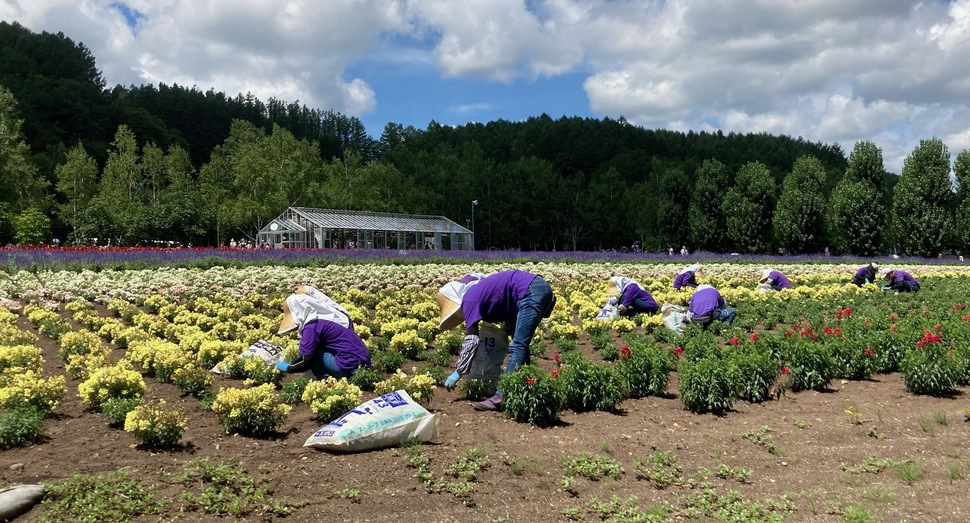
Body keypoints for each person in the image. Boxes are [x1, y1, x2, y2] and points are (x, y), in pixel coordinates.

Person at [439, 270, 556, 411]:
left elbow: (471, 340)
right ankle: (528, 384)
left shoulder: (469, 300)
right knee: (520, 344)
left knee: (518, 345)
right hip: (538, 288)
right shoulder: (480, 293)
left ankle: (500, 396)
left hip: (530, 291)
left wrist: (458, 372)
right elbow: (509, 310)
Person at [274, 285, 371, 379]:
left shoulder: (311, 328)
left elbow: (307, 363)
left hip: (348, 366)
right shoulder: (327, 318)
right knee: (315, 348)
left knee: (313, 352)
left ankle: (326, 380)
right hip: (364, 361)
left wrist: (288, 368)